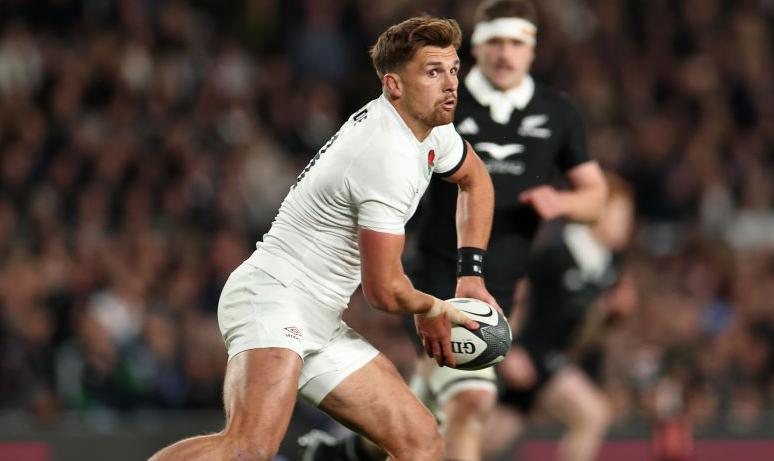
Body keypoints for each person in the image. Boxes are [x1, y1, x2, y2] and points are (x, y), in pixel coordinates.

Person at [149, 15, 499, 461]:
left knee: (420, 441)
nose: (450, 84)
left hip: (319, 316)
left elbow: (477, 180)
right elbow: (384, 291)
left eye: (453, 70)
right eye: (433, 72)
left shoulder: (430, 129)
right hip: (273, 297)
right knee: (249, 448)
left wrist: (470, 276)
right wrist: (433, 308)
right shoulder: (384, 155)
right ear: (393, 85)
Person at [299, 1, 607, 460]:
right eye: (495, 42)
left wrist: (559, 201)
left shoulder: (557, 113)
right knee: (470, 402)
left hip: (500, 288)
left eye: (517, 43)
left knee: (430, 414)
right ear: (476, 49)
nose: (505, 54)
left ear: (532, 49)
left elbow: (597, 196)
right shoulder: (443, 102)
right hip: (437, 277)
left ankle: (347, 453)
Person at [487, 173, 636, 461]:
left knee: (486, 442)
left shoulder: (610, 264)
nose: (626, 225)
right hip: (530, 356)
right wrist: (507, 349)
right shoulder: (556, 254)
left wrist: (613, 314)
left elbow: (588, 327)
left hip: (553, 360)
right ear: (598, 212)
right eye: (621, 215)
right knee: (593, 415)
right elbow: (510, 297)